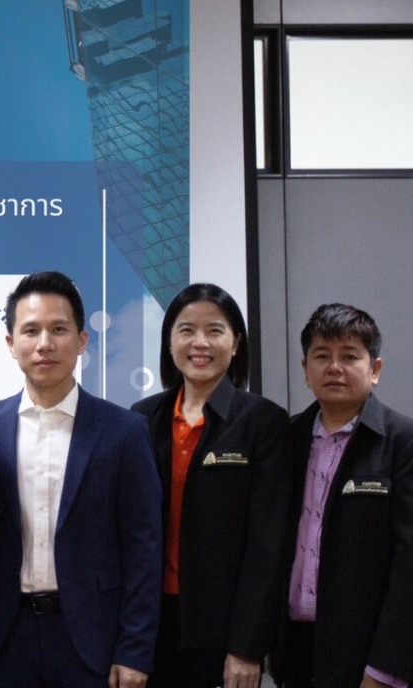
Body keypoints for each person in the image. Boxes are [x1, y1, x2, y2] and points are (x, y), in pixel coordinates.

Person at [0, 271, 161, 688]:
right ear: (11, 344)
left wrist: (134, 649)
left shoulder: (124, 431)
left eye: (59, 329)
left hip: (94, 641)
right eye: (31, 330)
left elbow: (144, 546)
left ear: (82, 341)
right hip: (4, 637)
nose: (45, 343)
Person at [130, 284, 291, 688]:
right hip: (150, 624)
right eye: (186, 330)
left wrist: (247, 646)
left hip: (221, 632)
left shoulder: (263, 421)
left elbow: (267, 545)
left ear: (235, 344)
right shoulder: (141, 418)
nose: (200, 342)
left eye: (215, 330)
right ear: (169, 342)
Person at [272, 303, 413, 688]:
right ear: (306, 370)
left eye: (349, 356)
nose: (334, 367)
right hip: (295, 650)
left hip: (369, 657)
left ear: (375, 369)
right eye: (322, 356)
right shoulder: (285, 439)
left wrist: (385, 670)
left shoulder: (402, 442)